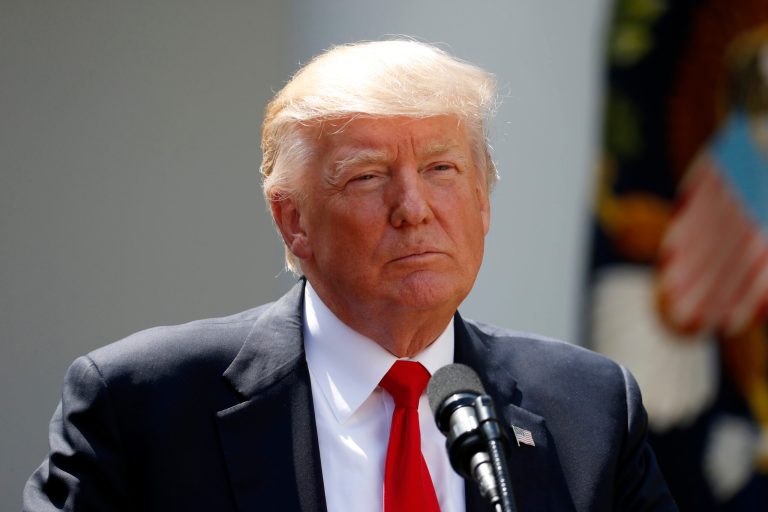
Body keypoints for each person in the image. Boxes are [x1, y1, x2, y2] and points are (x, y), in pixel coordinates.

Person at [22, 40, 677, 511]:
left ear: (483, 201)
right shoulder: (144, 404)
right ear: (294, 223)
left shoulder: (588, 410)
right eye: (367, 177)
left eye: (442, 170)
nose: (413, 209)